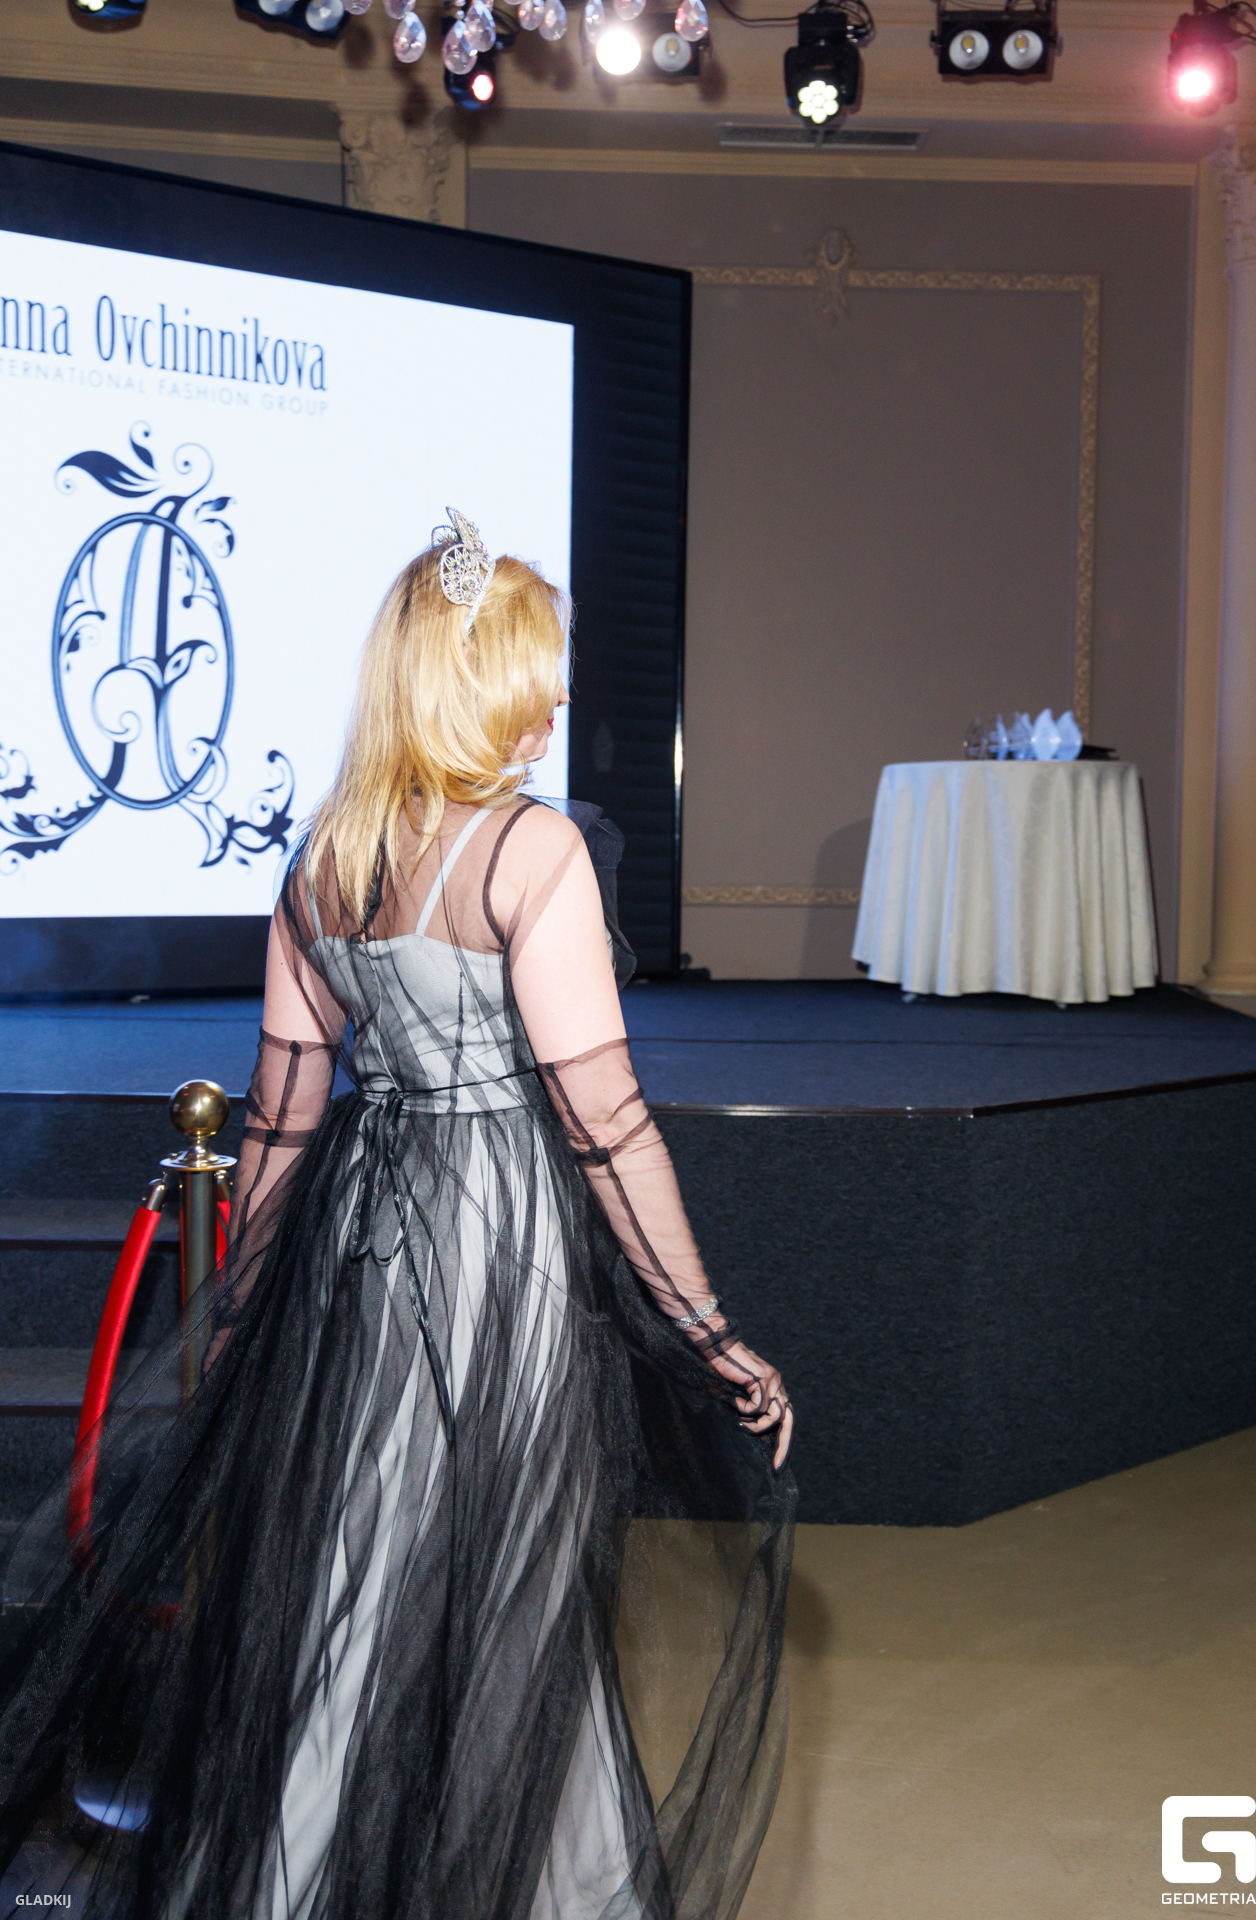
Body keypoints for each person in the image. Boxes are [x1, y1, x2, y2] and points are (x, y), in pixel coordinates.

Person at [0, 511, 795, 1920]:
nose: (559, 699)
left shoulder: (324, 859)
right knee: (515, 1589)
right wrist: (707, 1327)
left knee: (352, 1584)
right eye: (538, 674)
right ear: (471, 681)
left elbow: (280, 1122)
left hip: (363, 1246)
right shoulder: (531, 852)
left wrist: (240, 1311)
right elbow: (604, 1124)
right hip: (503, 1243)